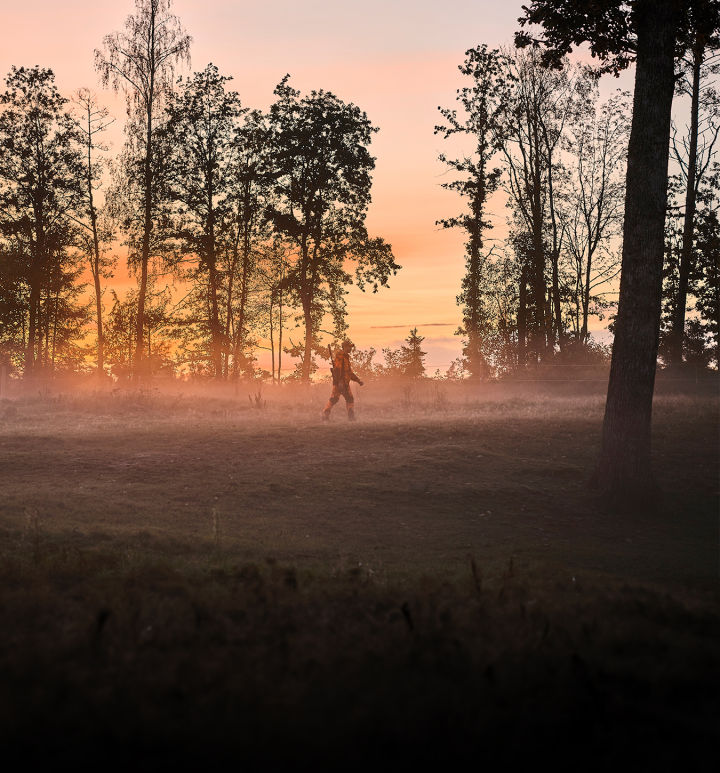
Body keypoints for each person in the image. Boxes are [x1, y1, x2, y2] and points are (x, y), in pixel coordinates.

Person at [322, 340, 363, 421]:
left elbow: (349, 373)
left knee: (334, 399)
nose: (350, 349)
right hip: (342, 383)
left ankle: (325, 415)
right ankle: (351, 417)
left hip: (342, 382)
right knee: (349, 399)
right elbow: (337, 369)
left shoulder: (345, 357)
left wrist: (358, 380)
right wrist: (340, 382)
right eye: (349, 347)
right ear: (344, 347)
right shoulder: (341, 357)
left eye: (351, 347)